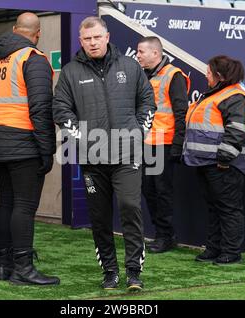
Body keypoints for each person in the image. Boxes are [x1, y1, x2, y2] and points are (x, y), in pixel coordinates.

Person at [53, 17, 156, 291]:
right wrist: (81, 138)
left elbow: (147, 101)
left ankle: (134, 272)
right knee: (99, 217)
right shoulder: (70, 72)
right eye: (87, 39)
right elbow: (61, 110)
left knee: (130, 208)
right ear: (81, 41)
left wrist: (138, 131)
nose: (93, 42)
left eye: (97, 37)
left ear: (107, 37)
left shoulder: (130, 66)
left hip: (127, 154)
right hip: (92, 159)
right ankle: (110, 271)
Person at [0, 12, 59, 285]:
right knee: (24, 206)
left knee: (6, 202)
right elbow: (41, 109)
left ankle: (3, 266)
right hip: (24, 143)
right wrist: (46, 150)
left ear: (15, 30)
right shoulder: (33, 59)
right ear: (37, 34)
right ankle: (23, 269)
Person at [182, 55, 245, 265]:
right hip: (206, 163)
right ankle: (214, 248)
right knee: (214, 208)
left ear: (219, 75)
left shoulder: (235, 97)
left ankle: (231, 252)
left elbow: (237, 130)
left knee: (228, 208)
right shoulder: (215, 94)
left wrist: (224, 159)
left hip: (224, 165)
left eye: (209, 72)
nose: (206, 75)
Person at [136, 36, 190, 253]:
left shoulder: (173, 75)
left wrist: (178, 145)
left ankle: (165, 236)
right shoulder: (143, 76)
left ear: (155, 54)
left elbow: (180, 113)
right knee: (148, 190)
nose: (137, 55)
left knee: (162, 191)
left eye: (141, 52)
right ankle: (162, 233)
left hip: (164, 144)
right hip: (145, 144)